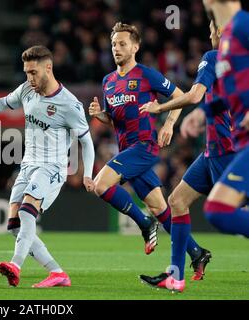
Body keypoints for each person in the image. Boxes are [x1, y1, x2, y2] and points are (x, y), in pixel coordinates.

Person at [0, 45, 95, 288]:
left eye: (33, 72)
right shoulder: (27, 89)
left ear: (48, 68)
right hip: (28, 165)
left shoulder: (69, 105)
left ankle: (15, 264)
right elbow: (1, 103)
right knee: (14, 225)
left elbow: (87, 142)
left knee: (28, 210)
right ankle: (57, 273)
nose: (30, 78)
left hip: (52, 167)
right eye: (27, 72)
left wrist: (88, 174)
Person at [88, 22, 209, 269]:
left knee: (100, 185)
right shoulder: (108, 81)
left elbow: (180, 96)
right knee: (159, 207)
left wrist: (169, 124)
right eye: (113, 44)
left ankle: (144, 223)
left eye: (122, 43)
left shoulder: (146, 74)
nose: (117, 48)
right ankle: (197, 252)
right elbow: (115, 120)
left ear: (135, 46)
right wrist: (101, 115)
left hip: (144, 146)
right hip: (127, 150)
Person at [138, 20, 234, 292]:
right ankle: (176, 276)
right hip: (212, 152)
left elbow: (194, 95)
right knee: (177, 200)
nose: (210, 34)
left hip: (228, 153)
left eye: (212, 29)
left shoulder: (214, 57)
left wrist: (161, 107)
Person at [201, 2, 249, 233]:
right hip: (241, 142)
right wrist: (204, 113)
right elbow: (233, 93)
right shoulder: (229, 36)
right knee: (217, 209)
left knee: (218, 209)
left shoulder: (243, 26)